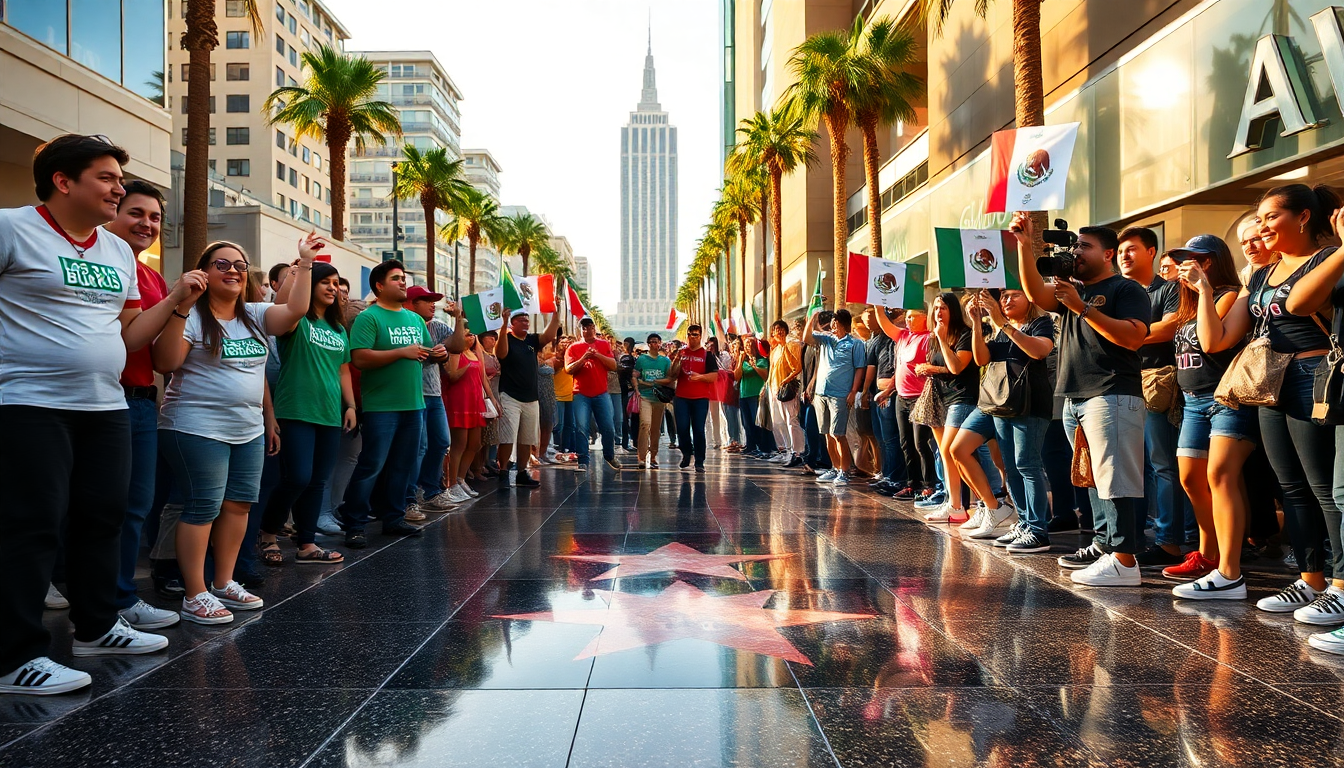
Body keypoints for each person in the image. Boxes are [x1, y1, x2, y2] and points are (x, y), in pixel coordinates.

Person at [0, 137, 210, 695]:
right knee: (32, 526)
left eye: (121, 177)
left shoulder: (117, 253)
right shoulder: (12, 228)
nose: (120, 187)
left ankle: (97, 628)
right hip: (26, 404)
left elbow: (128, 335)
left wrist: (175, 304)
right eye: (107, 178)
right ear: (63, 181)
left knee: (103, 519)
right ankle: (14, 658)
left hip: (104, 405)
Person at [155, 236, 318, 622]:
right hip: (195, 425)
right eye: (222, 265)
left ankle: (223, 583)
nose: (232, 271)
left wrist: (306, 263)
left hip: (247, 428)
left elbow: (296, 308)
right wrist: (181, 304)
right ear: (203, 272)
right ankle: (194, 594)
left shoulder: (257, 315)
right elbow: (165, 362)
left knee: (240, 504)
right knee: (202, 507)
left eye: (240, 266)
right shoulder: (191, 315)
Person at [1011, 212, 1151, 587]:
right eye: (1076, 246)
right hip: (1077, 396)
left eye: (1085, 247)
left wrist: (1083, 308)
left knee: (1116, 478)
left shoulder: (1127, 290)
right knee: (1093, 478)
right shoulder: (1073, 290)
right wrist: (1025, 246)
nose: (1077, 253)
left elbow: (1134, 337)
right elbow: (1036, 294)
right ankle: (1104, 544)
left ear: (1109, 254)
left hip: (1112, 392)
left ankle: (1124, 560)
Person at [101, 181, 184, 631]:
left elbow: (161, 356)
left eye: (154, 217)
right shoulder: (97, 261)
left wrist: (180, 307)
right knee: (90, 505)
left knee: (135, 505)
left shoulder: (150, 276)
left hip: (139, 400)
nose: (147, 224)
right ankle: (73, 585)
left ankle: (121, 596)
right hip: (94, 398)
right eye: (136, 213)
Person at [1261, 184, 1344, 631]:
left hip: (1312, 378)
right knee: (1290, 486)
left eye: (1272, 217)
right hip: (1269, 381)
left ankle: (1339, 583)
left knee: (1324, 487)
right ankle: (1309, 579)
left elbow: (1299, 304)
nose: (1263, 227)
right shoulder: (1262, 272)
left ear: (1304, 217)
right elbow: (1222, 336)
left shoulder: (1326, 259)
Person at [1156, 236, 1256, 599]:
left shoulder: (1227, 293)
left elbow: (1213, 342)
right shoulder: (1190, 301)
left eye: (1195, 260)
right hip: (1192, 401)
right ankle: (1208, 555)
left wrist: (1204, 289)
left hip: (1225, 399)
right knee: (1190, 479)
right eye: (1183, 260)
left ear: (1212, 262)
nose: (1187, 266)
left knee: (1220, 476)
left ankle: (1231, 570)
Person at [258, 260, 355, 566]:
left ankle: (307, 544)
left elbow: (343, 371)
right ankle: (268, 533)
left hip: (328, 412)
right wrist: (303, 266)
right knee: (297, 477)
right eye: (325, 281)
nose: (333, 287)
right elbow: (283, 303)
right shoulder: (297, 321)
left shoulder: (339, 328)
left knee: (317, 481)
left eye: (336, 283)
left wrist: (350, 405)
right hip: (296, 409)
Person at [336, 260, 435, 548]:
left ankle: (393, 518)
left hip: (413, 404)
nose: (403, 282)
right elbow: (359, 358)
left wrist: (437, 353)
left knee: (402, 466)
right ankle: (354, 523)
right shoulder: (370, 317)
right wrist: (401, 352)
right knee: (372, 465)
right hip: (382, 406)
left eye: (403, 278)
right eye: (396, 278)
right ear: (379, 286)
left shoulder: (415, 319)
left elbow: (424, 353)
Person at [956, 290, 1056, 551]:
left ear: (1030, 298)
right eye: (1004, 297)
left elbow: (1039, 351)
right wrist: (978, 323)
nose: (1007, 301)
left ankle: (1037, 529)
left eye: (1014, 296)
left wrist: (1003, 323)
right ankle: (1024, 522)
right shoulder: (999, 328)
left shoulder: (1039, 323)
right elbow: (981, 359)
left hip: (1030, 405)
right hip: (1002, 403)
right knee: (1011, 467)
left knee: (1027, 465)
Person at [1117, 226, 1189, 568]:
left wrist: (1125, 335)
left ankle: (1170, 541)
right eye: (1119, 251)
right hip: (1122, 385)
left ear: (1151, 253)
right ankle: (1135, 537)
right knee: (1136, 468)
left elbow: (1172, 325)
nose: (1124, 256)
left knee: (1163, 464)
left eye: (1131, 249)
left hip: (1157, 384)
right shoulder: (1118, 292)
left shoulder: (1169, 288)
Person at [917, 293, 980, 524]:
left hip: (961, 398)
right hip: (939, 399)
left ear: (952, 310)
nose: (938, 313)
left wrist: (942, 341)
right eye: (935, 309)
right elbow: (937, 365)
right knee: (945, 454)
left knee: (951, 451)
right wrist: (926, 367)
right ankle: (954, 504)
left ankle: (970, 504)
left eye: (943, 308)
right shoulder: (934, 337)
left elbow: (956, 367)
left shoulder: (965, 335)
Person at [495, 307, 563, 487]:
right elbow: (500, 353)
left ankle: (522, 472)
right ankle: (503, 472)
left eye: (527, 320)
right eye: (521, 321)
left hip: (531, 398)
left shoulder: (532, 340)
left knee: (527, 438)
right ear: (513, 323)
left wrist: (556, 313)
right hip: (510, 395)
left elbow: (549, 335)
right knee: (508, 437)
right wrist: (503, 326)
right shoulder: (507, 339)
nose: (526, 323)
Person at [404, 286, 455, 516]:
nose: (433, 304)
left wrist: (460, 318)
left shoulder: (438, 326)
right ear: (411, 303)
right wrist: (430, 353)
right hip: (414, 394)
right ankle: (409, 498)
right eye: (426, 300)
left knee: (442, 442)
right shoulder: (405, 324)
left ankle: (430, 491)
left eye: (434, 301)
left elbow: (458, 345)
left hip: (434, 394)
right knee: (418, 447)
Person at [874, 308, 935, 500]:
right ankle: (912, 485)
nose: (907, 320)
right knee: (906, 443)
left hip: (920, 397)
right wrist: (887, 391)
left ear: (925, 317)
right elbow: (900, 370)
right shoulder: (903, 337)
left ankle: (929, 486)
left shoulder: (929, 338)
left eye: (912, 316)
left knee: (921, 443)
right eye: (906, 316)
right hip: (902, 397)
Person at [802, 308, 866, 486]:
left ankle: (844, 471)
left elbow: (860, 368)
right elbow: (806, 338)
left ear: (842, 324)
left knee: (838, 434)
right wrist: (813, 317)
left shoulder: (855, 344)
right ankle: (835, 468)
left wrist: (853, 391)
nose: (832, 327)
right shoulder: (826, 339)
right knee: (827, 434)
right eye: (831, 324)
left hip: (840, 395)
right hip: (821, 393)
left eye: (834, 324)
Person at [443, 330, 496, 501]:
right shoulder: (455, 352)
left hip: (475, 402)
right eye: (466, 334)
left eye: (473, 334)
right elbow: (453, 376)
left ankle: (460, 478)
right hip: (459, 402)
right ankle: (451, 484)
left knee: (475, 444)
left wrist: (493, 399)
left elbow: (483, 379)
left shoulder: (474, 354)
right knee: (459, 445)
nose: (471, 337)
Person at [566, 318, 622, 471]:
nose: (588, 330)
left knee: (608, 427)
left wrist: (597, 355)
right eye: (585, 327)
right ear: (581, 330)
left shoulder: (603, 344)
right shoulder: (573, 348)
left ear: (594, 328)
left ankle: (609, 455)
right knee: (581, 428)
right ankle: (583, 459)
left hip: (601, 393)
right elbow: (568, 369)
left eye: (590, 327)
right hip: (581, 394)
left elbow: (613, 366)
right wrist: (584, 358)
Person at [669, 324, 720, 472]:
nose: (692, 337)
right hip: (682, 397)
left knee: (698, 429)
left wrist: (700, 377)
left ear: (700, 336)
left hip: (700, 398)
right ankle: (686, 453)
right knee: (683, 428)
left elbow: (714, 376)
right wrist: (676, 360)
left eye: (695, 334)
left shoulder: (707, 355)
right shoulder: (681, 352)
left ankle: (699, 461)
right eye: (690, 334)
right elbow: (672, 374)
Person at [766, 320, 805, 468]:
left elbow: (796, 366)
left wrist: (785, 380)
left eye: (781, 329)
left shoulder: (792, 345)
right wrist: (767, 387)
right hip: (775, 389)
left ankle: (798, 453)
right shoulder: (775, 350)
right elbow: (772, 370)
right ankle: (787, 451)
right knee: (778, 422)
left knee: (792, 421)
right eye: (776, 329)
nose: (778, 331)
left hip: (788, 390)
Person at [799, 312, 834, 473]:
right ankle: (811, 459)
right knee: (808, 426)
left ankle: (820, 461)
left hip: (820, 391)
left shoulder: (825, 342)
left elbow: (819, 367)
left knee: (816, 427)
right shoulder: (807, 345)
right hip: (808, 391)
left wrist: (811, 385)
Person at [635, 333, 674, 469]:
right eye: (651, 342)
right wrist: (637, 386)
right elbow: (635, 375)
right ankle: (641, 457)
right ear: (648, 344)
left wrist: (652, 382)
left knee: (656, 429)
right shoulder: (641, 359)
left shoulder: (665, 361)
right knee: (645, 424)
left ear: (660, 343)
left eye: (656, 342)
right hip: (645, 397)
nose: (654, 344)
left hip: (659, 398)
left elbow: (669, 378)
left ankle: (653, 456)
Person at [733, 333, 771, 458]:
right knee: (746, 422)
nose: (748, 347)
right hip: (744, 394)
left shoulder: (762, 360)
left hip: (756, 394)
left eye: (750, 344)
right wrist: (740, 360)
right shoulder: (743, 361)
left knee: (757, 422)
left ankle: (762, 447)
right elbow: (736, 377)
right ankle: (750, 445)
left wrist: (754, 366)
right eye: (746, 345)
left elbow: (765, 376)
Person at [618, 337, 638, 450]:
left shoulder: (624, 357)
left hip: (626, 390)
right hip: (626, 390)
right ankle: (627, 442)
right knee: (627, 418)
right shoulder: (627, 358)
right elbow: (628, 371)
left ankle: (630, 441)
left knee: (628, 417)